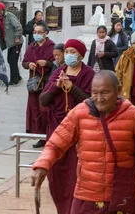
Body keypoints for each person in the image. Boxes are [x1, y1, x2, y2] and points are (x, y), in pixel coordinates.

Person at [31, 71, 135, 213]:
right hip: (86, 196)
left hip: (124, 198)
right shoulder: (79, 113)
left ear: (118, 90)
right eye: (94, 93)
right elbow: (55, 144)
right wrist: (42, 165)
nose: (99, 98)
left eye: (105, 92)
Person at [39, 39, 94, 213]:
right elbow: (43, 100)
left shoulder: (89, 74)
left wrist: (73, 88)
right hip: (57, 130)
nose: (69, 54)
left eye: (73, 51)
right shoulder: (58, 73)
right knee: (56, 176)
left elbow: (93, 102)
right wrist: (56, 87)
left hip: (80, 134)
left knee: (76, 176)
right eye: (67, 51)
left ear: (81, 55)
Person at [21, 23, 55, 148]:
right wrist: (29, 64)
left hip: (46, 82)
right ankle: (40, 136)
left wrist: (46, 63)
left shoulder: (51, 46)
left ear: (46, 33)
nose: (37, 35)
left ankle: (49, 134)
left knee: (45, 109)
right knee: (34, 109)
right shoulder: (32, 46)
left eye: (40, 32)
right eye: (35, 32)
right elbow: (24, 62)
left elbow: (56, 62)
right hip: (34, 83)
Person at [0, 2, 24, 86]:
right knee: (11, 60)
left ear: (0, 9)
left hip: (16, 42)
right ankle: (18, 77)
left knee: (12, 61)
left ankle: (14, 80)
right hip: (9, 43)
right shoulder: (0, 19)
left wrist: (17, 37)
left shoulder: (9, 16)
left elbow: (18, 27)